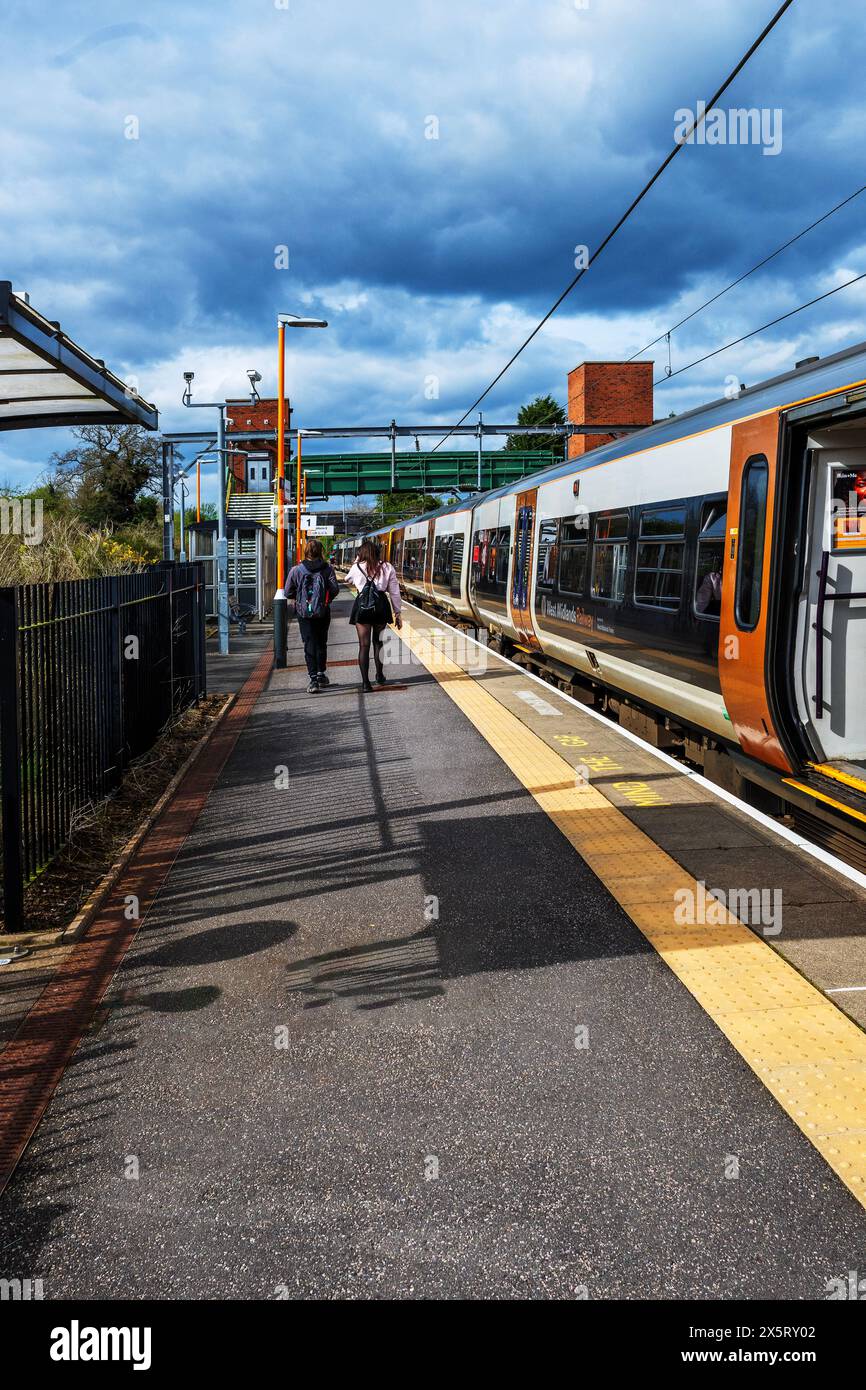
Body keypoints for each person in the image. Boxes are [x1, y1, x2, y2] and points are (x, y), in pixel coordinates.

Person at [346, 539, 403, 691]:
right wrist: (398, 613)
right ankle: (379, 675)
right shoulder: (387, 567)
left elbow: (347, 579)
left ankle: (365, 684)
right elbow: (394, 592)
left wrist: (357, 561)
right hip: (380, 607)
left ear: (361, 553)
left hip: (362, 608)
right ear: (378, 552)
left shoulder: (356, 567)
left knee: (363, 646)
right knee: (378, 643)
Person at [286, 539, 340, 693]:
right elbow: (335, 589)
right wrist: (324, 600)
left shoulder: (296, 570)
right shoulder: (328, 569)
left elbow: (288, 591)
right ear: (320, 552)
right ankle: (321, 673)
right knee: (321, 641)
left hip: (304, 614)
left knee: (309, 643)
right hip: (323, 612)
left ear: (306, 552)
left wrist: (299, 598)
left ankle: (313, 680)